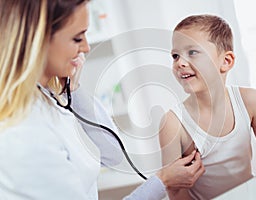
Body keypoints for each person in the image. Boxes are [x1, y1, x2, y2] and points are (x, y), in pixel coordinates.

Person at [0, 1, 205, 199]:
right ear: (37, 40)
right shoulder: (24, 133)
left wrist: (73, 90)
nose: (87, 48)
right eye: (77, 39)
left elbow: (112, 155)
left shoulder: (50, 99)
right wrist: (162, 182)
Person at [159, 14, 256, 200]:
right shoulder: (173, 123)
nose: (180, 63)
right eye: (175, 56)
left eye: (192, 52)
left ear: (226, 62)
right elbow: (175, 189)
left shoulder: (249, 100)